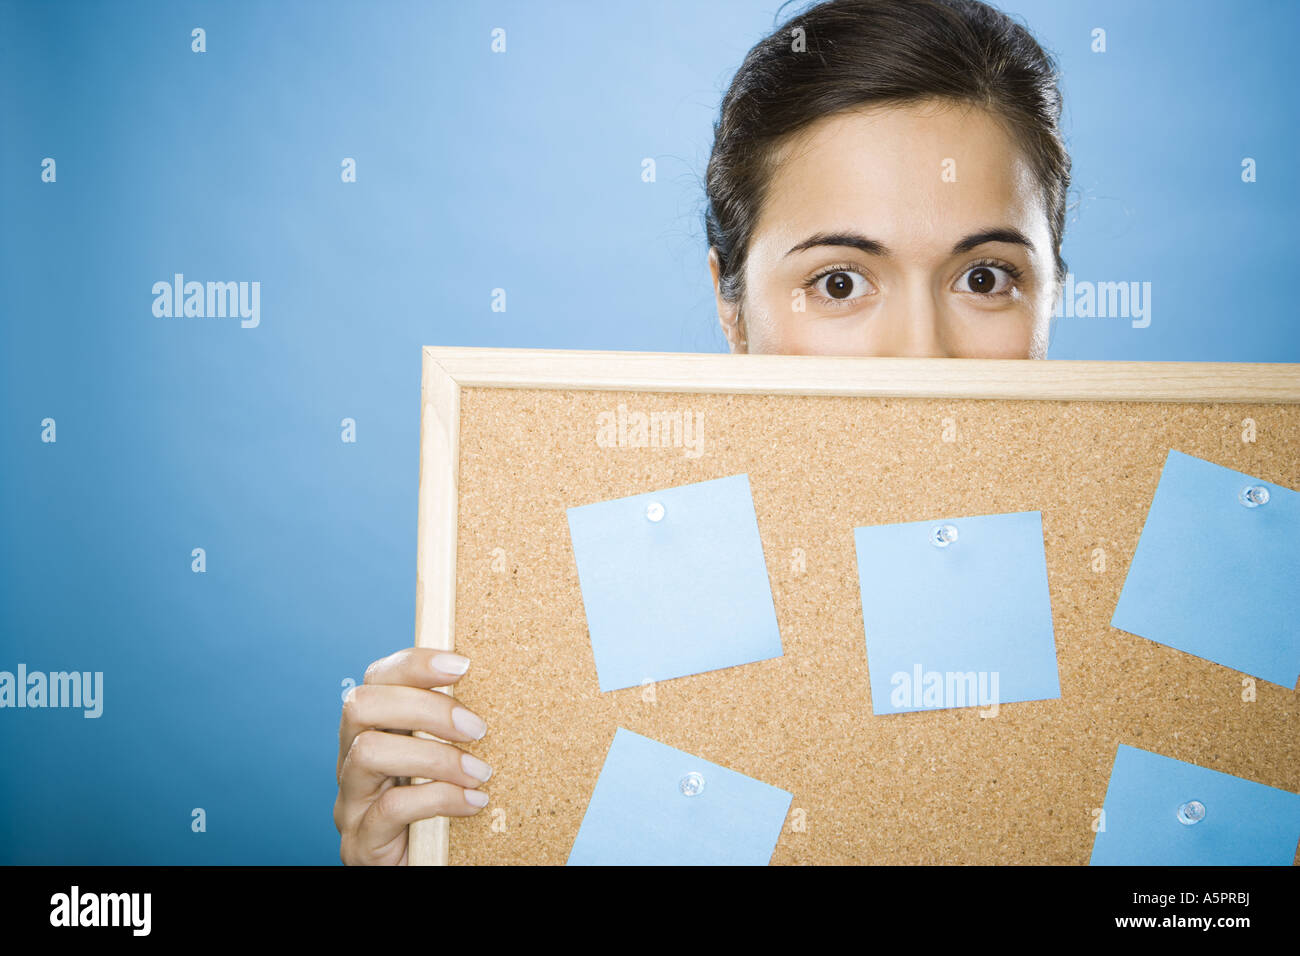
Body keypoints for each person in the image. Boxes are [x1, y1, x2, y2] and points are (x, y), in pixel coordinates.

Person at [336, 0, 1072, 864]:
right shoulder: (569, 636)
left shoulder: (1177, 644)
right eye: (839, 283)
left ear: (1052, 290)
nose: (919, 355)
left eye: (985, 277)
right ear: (731, 304)